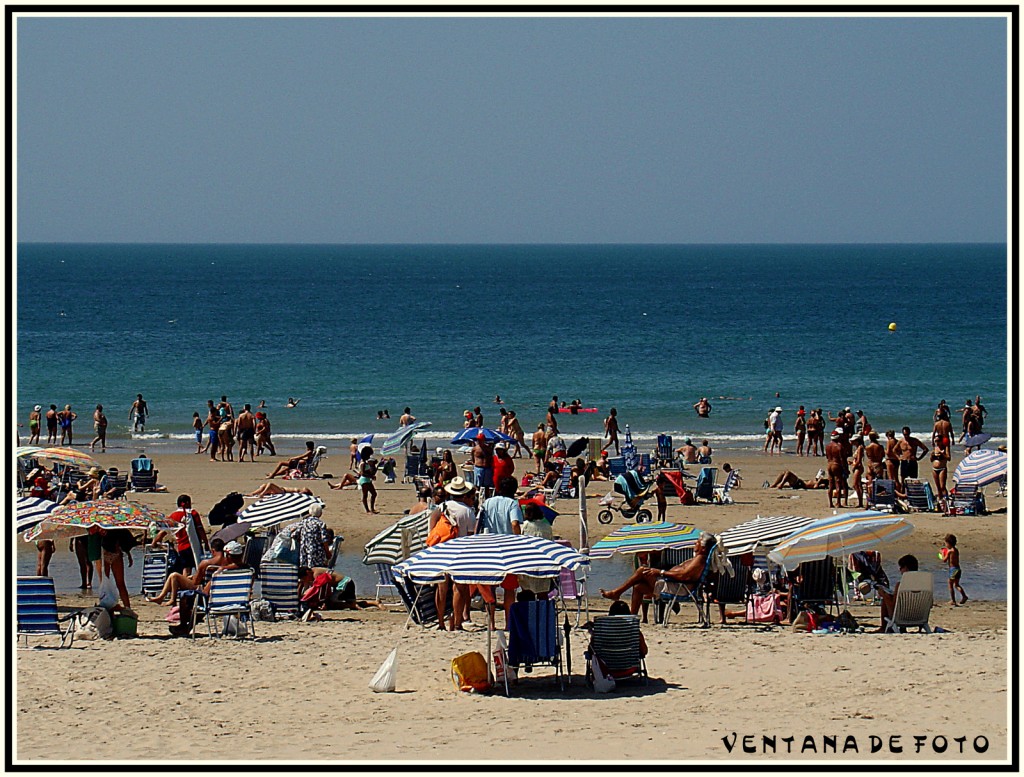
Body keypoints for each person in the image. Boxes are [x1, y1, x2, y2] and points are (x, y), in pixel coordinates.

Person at [599, 533, 714, 615]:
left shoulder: (699, 560)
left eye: (698, 542)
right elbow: (683, 574)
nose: (695, 543)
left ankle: (616, 592)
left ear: (703, 548)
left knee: (642, 570)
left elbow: (683, 576)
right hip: (675, 585)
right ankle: (632, 617)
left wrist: (661, 572)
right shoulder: (698, 559)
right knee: (638, 586)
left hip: (678, 588)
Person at [476, 476, 523, 625]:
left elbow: (479, 521)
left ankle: (491, 624)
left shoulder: (488, 502)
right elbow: (514, 523)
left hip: (489, 547)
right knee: (509, 589)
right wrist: (519, 540)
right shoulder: (512, 503)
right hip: (508, 550)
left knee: (490, 588)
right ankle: (509, 623)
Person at [433, 477, 479, 630]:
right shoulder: (468, 512)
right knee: (458, 588)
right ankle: (457, 622)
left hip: (441, 549)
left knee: (441, 587)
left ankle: (441, 622)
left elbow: (432, 525)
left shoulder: (443, 506)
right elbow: (471, 536)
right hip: (460, 552)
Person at [147, 538, 227, 606]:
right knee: (174, 577)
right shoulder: (228, 562)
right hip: (221, 592)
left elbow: (196, 582)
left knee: (174, 576)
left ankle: (169, 599)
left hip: (204, 590)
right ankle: (163, 598)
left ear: (212, 551)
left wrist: (192, 577)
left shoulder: (206, 563)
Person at [155, 494, 209, 576]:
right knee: (198, 568)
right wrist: (206, 542)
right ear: (186, 503)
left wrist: (155, 542)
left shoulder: (173, 516)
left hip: (181, 547)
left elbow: (164, 531)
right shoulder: (192, 513)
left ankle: (184, 582)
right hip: (193, 546)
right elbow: (200, 529)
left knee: (186, 569)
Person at [97, 525, 138, 613]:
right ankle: (127, 607)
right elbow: (124, 538)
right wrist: (128, 553)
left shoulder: (101, 525)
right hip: (115, 552)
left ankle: (108, 604)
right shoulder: (117, 525)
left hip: (104, 552)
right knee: (119, 583)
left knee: (105, 582)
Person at [875, 554, 919, 632]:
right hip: (919, 616)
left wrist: (883, 595)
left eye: (901, 567)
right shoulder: (923, 584)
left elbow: (893, 606)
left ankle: (883, 627)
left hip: (902, 617)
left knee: (886, 597)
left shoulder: (901, 585)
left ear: (906, 568)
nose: (900, 570)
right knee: (889, 596)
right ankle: (902, 628)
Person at [291, 504, 331, 568]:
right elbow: (324, 540)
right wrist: (327, 552)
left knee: (306, 571)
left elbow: (294, 535)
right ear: (320, 514)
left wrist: (303, 542)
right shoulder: (321, 524)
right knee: (316, 571)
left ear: (310, 512)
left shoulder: (303, 522)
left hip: (304, 554)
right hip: (317, 555)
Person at [942, 534, 968, 606]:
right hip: (958, 569)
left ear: (948, 543)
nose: (946, 545)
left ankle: (953, 600)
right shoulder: (956, 550)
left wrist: (942, 553)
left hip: (953, 569)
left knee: (950, 584)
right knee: (956, 585)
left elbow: (944, 560)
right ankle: (964, 596)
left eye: (946, 543)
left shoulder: (950, 551)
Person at [825, 430, 847, 508]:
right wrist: (845, 468)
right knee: (838, 484)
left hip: (829, 464)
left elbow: (827, 456)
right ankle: (838, 502)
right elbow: (842, 459)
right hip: (836, 464)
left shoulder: (827, 446)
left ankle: (830, 503)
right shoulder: (839, 446)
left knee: (830, 484)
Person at [849, 435, 866, 508]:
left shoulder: (860, 448)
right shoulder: (858, 448)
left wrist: (854, 466)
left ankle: (860, 502)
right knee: (858, 484)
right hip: (857, 466)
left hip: (858, 467)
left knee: (855, 484)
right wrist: (852, 463)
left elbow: (859, 460)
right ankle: (860, 502)